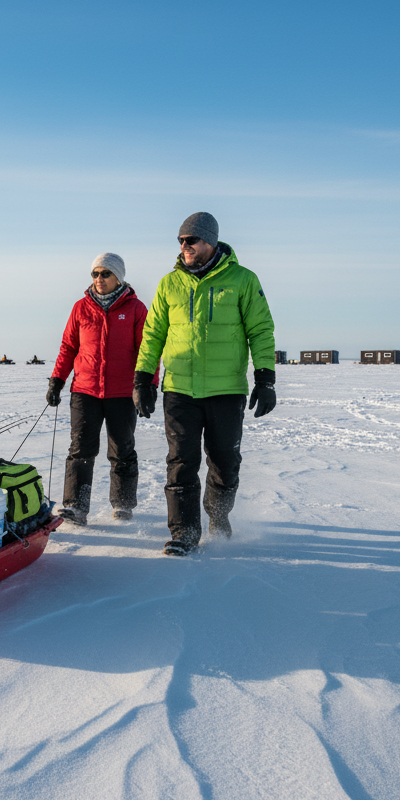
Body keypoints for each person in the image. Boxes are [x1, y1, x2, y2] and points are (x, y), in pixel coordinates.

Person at [133, 212, 276, 555]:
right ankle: (183, 532)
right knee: (181, 461)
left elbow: (260, 330)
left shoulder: (242, 280)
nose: (185, 246)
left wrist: (266, 378)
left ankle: (218, 516)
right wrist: (143, 378)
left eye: (191, 240)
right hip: (179, 388)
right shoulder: (169, 284)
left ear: (210, 242)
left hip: (226, 390)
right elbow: (153, 334)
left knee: (225, 461)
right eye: (181, 241)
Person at [48, 253, 155, 525]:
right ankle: (75, 506)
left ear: (118, 277)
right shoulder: (81, 308)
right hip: (85, 390)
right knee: (81, 450)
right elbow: (69, 347)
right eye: (95, 274)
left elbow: (148, 351)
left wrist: (149, 386)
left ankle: (122, 505)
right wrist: (57, 380)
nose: (99, 279)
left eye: (105, 274)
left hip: (122, 392)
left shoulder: (135, 308)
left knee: (122, 450)